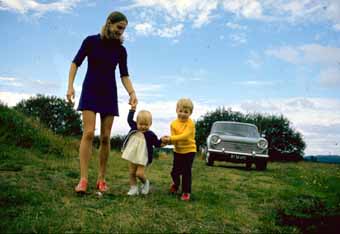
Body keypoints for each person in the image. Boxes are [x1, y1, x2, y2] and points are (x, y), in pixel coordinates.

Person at [66, 11, 137, 193]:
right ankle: (83, 179)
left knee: (105, 137)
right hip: (90, 90)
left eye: (123, 29)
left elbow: (124, 74)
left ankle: (101, 179)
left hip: (109, 93)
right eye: (119, 27)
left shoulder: (121, 50)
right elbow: (75, 63)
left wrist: (132, 92)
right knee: (88, 133)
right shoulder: (90, 41)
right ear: (109, 23)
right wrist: (70, 86)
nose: (121, 32)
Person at [121, 104, 164, 195]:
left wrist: (163, 141)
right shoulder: (134, 127)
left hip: (143, 156)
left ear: (150, 124)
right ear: (136, 122)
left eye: (146, 125)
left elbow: (157, 143)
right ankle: (134, 188)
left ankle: (146, 183)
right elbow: (129, 120)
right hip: (133, 154)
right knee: (132, 172)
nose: (143, 126)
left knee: (139, 173)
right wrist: (132, 110)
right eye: (141, 124)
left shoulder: (150, 134)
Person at [162, 98, 196, 201]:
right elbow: (175, 140)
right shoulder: (173, 124)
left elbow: (184, 136)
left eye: (186, 112)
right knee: (174, 172)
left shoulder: (190, 123)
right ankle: (176, 185)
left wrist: (170, 138)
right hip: (178, 151)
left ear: (190, 113)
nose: (183, 114)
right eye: (181, 111)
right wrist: (166, 142)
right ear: (176, 110)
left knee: (186, 172)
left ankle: (186, 192)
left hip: (189, 151)